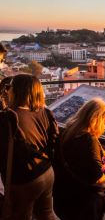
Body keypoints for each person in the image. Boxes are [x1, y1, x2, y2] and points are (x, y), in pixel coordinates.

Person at [0, 74, 59, 220]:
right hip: (47, 172)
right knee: (47, 213)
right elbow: (54, 139)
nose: (7, 91)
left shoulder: (8, 118)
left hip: (24, 179)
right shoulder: (45, 112)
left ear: (17, 91)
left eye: (9, 88)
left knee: (22, 216)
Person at [53, 97, 105, 220]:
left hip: (62, 196)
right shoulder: (88, 140)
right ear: (97, 120)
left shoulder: (66, 132)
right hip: (83, 203)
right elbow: (97, 178)